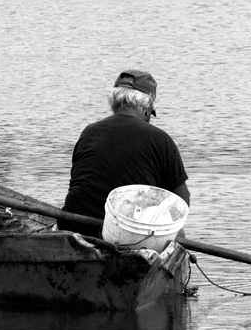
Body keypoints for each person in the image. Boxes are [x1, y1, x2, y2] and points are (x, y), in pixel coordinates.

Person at [59, 70, 189, 232]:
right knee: (178, 233)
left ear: (114, 103)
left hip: (75, 225)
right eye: (150, 114)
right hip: (126, 233)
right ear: (146, 108)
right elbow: (182, 202)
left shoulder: (88, 132)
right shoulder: (160, 140)